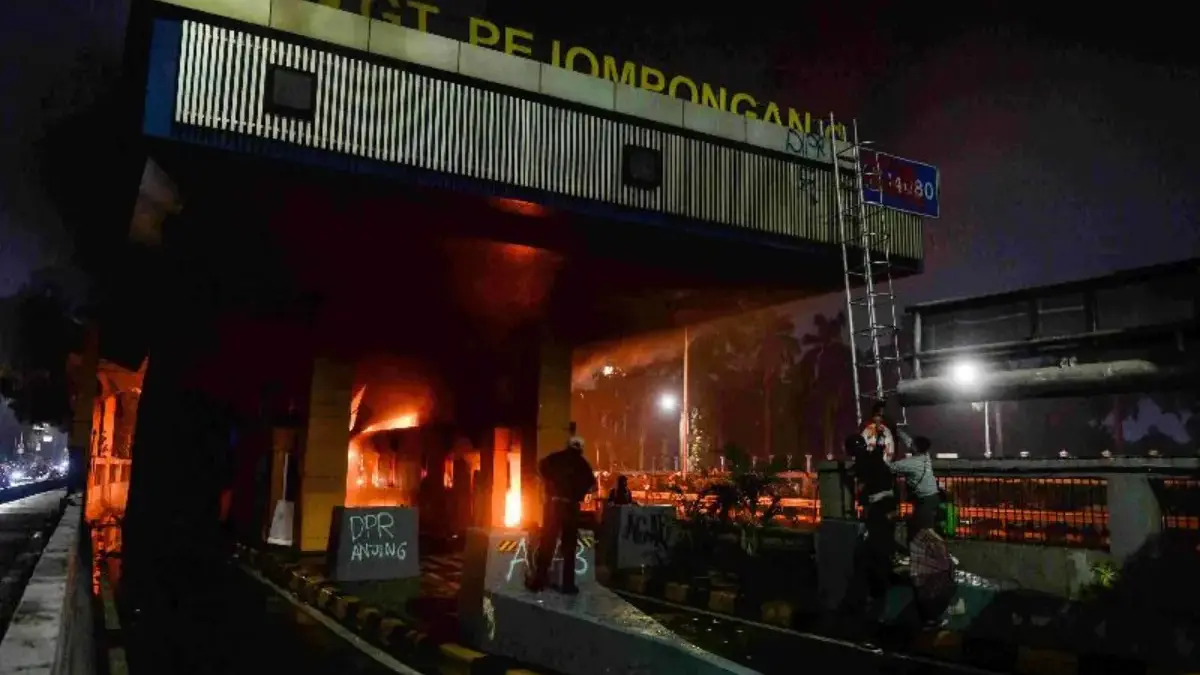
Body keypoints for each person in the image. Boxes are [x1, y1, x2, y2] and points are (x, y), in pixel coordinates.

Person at [528, 436, 597, 594]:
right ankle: (568, 584)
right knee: (569, 547)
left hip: (553, 505)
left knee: (548, 543)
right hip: (571, 507)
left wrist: (550, 483)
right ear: (581, 448)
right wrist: (578, 492)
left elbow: (540, 466)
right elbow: (592, 485)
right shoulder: (583, 464)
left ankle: (539, 581)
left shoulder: (555, 458)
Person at [846, 434, 896, 653]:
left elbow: (863, 495)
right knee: (878, 580)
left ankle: (870, 632)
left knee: (868, 578)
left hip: (877, 527)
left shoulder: (865, 466)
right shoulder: (876, 462)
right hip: (884, 525)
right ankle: (877, 628)